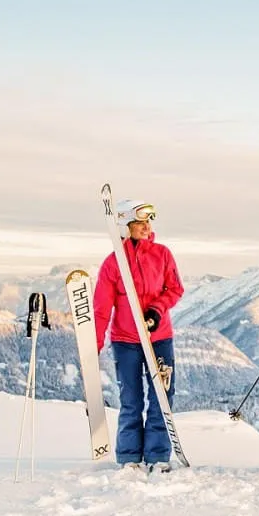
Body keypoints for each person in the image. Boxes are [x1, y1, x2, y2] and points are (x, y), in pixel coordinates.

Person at [93, 198, 184, 471]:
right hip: (126, 341)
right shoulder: (113, 264)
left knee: (161, 397)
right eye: (139, 223)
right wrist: (93, 346)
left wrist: (156, 312)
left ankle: (157, 455)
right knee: (131, 399)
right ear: (124, 226)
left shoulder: (162, 254)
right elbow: (101, 309)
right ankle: (130, 456)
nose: (147, 227)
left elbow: (175, 289)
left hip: (159, 338)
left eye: (148, 222)